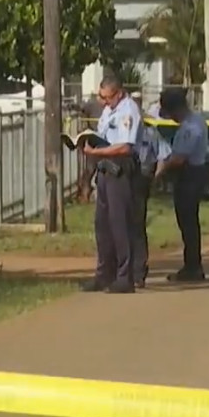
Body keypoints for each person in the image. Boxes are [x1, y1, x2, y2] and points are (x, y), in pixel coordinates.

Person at [83, 75, 142, 294]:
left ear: (119, 93)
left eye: (107, 97)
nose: (103, 101)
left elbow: (125, 147)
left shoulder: (128, 110)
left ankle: (124, 277)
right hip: (105, 169)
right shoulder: (109, 110)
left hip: (120, 169)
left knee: (120, 225)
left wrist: (96, 151)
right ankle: (103, 275)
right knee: (102, 225)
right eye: (101, 97)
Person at [156, 88, 208, 282]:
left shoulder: (190, 128)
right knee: (187, 223)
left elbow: (178, 159)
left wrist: (159, 172)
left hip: (190, 175)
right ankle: (192, 265)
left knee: (188, 224)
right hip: (190, 174)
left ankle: (193, 267)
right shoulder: (194, 122)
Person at [132, 113, 172, 289]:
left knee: (137, 225)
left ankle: (139, 272)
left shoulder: (150, 132)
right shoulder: (120, 131)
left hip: (142, 178)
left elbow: (164, 155)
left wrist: (155, 177)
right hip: (121, 178)